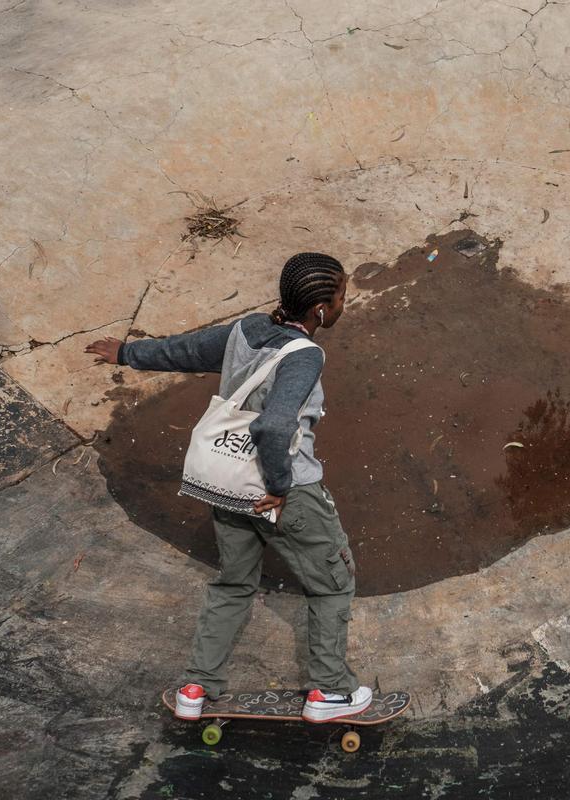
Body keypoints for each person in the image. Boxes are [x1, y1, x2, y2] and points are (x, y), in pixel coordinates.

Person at [84, 252, 371, 723]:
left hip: (229, 486)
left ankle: (196, 688)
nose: (344, 303)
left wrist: (126, 354)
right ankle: (331, 693)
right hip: (285, 492)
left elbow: (188, 350)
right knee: (332, 584)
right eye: (341, 295)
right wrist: (279, 486)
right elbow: (275, 428)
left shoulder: (247, 330)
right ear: (320, 309)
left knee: (234, 582)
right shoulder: (305, 356)